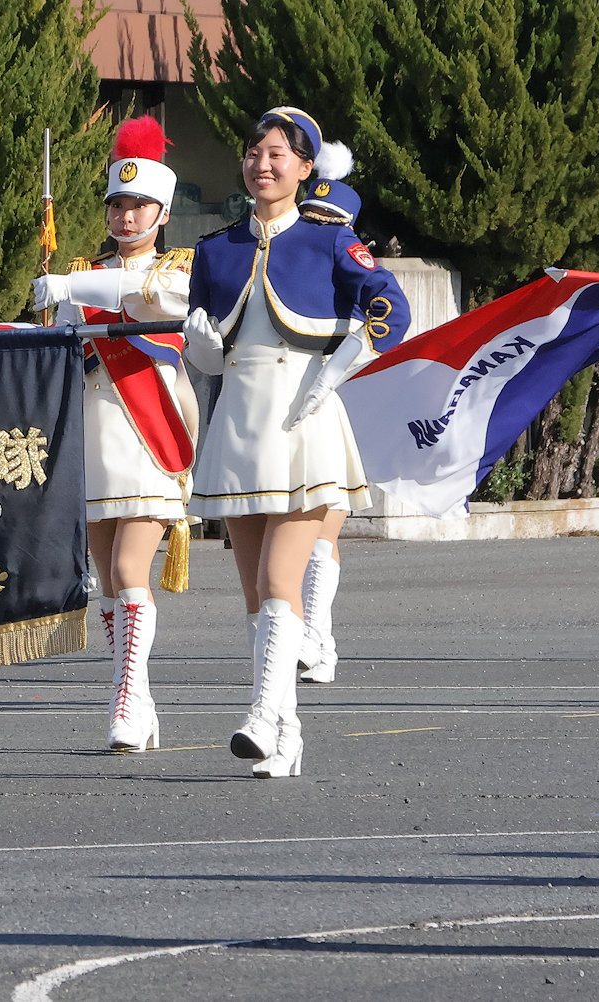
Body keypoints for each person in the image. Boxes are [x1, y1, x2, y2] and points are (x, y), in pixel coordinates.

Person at [183, 107, 406, 779]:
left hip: (305, 419)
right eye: (254, 153)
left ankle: (259, 715)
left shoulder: (329, 241)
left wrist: (340, 366)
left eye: (278, 154)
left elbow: (390, 307)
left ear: (305, 167)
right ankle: (288, 732)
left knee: (282, 578)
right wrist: (201, 351)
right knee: (256, 592)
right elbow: (209, 342)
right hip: (241, 422)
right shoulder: (215, 249)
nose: (263, 165)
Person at [30, 115, 199, 752]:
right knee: (106, 579)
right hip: (92, 437)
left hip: (149, 435)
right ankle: (138, 692)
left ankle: (124, 695)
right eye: (117, 205)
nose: (126, 217)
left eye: (140, 206)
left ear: (163, 213)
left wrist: (69, 285)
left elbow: (144, 296)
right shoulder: (79, 272)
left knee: (131, 568)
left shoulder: (177, 270)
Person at [294, 145, 411, 685]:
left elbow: (390, 308)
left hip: (327, 395)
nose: (317, 224)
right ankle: (316, 641)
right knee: (288, 528)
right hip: (274, 395)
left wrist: (345, 360)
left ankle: (314, 637)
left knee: (322, 525)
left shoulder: (343, 246)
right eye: (310, 213)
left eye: (327, 217)